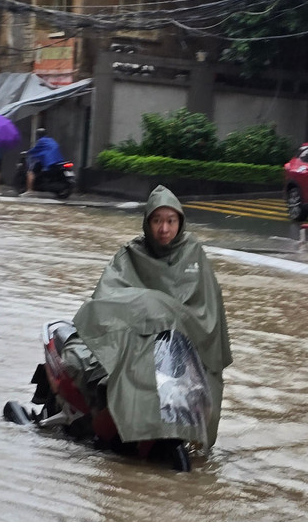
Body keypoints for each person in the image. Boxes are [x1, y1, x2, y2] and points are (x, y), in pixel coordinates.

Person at [66, 186, 232, 448]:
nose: (164, 229)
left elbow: (208, 312)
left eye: (170, 221)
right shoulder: (131, 254)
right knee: (89, 372)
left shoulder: (194, 254)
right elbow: (107, 300)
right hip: (134, 343)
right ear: (147, 223)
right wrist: (148, 308)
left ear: (180, 222)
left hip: (178, 350)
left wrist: (173, 316)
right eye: (157, 221)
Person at [24, 128, 64, 194]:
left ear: (38, 135)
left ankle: (29, 191)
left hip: (49, 161)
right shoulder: (51, 140)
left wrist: (27, 152)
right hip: (58, 160)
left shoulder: (41, 141)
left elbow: (35, 150)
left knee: (31, 172)